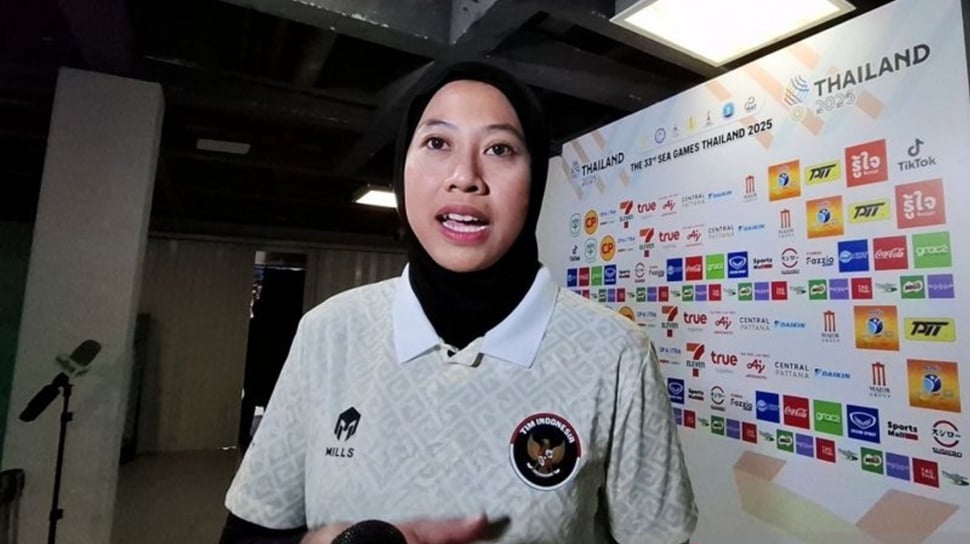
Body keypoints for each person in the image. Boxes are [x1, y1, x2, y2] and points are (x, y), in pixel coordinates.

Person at [219, 61, 697, 544]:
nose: (465, 177)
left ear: (535, 181)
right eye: (437, 142)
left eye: (500, 149)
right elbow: (250, 531)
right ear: (402, 169)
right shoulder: (329, 332)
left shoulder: (616, 353)